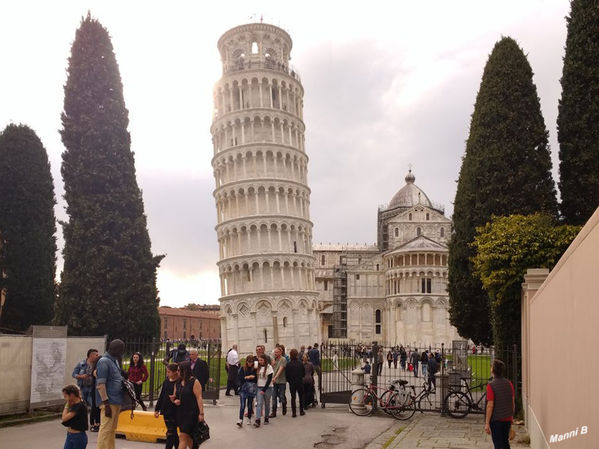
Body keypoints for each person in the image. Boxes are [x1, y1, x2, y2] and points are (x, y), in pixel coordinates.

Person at [95, 339, 125, 449]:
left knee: (112, 430)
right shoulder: (104, 361)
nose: (122, 352)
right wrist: (106, 403)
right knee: (105, 430)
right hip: (109, 402)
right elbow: (101, 384)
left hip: (116, 400)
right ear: (115, 349)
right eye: (121, 349)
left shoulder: (114, 361)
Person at [174, 361, 205, 449]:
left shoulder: (194, 382)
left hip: (191, 413)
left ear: (185, 370)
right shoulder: (179, 382)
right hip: (180, 413)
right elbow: (176, 396)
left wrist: (201, 413)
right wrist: (175, 400)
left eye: (179, 370)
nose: (177, 372)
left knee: (183, 436)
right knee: (188, 438)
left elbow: (199, 398)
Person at [485, 360, 515, 449]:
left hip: (496, 420)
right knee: (505, 443)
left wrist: (487, 423)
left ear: (493, 370)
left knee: (498, 445)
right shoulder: (509, 384)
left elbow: (490, 405)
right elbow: (512, 402)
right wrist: (511, 416)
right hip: (507, 418)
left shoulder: (491, 385)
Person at [72, 348, 100, 432]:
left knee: (93, 406)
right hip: (82, 388)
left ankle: (94, 423)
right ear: (91, 355)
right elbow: (74, 374)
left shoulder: (97, 364)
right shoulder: (81, 364)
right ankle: (78, 422)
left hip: (92, 388)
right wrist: (81, 376)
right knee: (81, 406)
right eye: (96, 355)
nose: (97, 356)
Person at [155, 363, 180, 449]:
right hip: (165, 410)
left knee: (170, 433)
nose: (167, 373)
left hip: (175, 411)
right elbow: (162, 395)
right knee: (173, 433)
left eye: (169, 372)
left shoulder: (179, 383)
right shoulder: (166, 381)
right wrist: (157, 409)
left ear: (175, 372)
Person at [61, 384, 88, 449]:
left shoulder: (79, 406)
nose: (65, 398)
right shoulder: (75, 404)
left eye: (66, 396)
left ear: (72, 395)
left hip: (78, 437)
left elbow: (64, 418)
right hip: (70, 435)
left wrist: (67, 405)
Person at [237, 355, 257, 427]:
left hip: (251, 389)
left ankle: (249, 418)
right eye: (249, 361)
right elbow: (240, 377)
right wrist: (248, 377)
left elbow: (256, 379)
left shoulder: (255, 369)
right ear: (246, 361)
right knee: (242, 405)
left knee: (249, 405)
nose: (250, 363)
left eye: (252, 362)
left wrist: (252, 377)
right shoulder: (243, 368)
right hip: (243, 389)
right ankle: (240, 419)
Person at [254, 354, 273, 427]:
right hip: (259, 387)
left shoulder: (269, 367)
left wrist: (264, 389)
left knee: (267, 403)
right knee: (259, 403)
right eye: (259, 360)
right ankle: (258, 419)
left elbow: (269, 379)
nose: (260, 362)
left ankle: (266, 417)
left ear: (265, 360)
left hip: (268, 388)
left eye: (261, 360)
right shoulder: (257, 367)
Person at [285, 348, 305, 417]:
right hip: (299, 382)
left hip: (292, 383)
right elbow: (303, 373)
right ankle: (301, 411)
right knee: (301, 396)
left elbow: (286, 375)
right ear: (297, 355)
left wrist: (289, 381)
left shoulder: (288, 364)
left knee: (293, 397)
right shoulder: (300, 363)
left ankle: (294, 413)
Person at [270, 346, 287, 417]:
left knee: (281, 396)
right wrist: (271, 364)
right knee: (274, 396)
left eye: (277, 352)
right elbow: (271, 369)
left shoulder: (283, 359)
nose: (275, 353)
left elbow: (281, 369)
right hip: (274, 381)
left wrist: (275, 377)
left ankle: (284, 404)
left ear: (281, 352)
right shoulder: (274, 360)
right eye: (275, 352)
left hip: (281, 381)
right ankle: (274, 412)